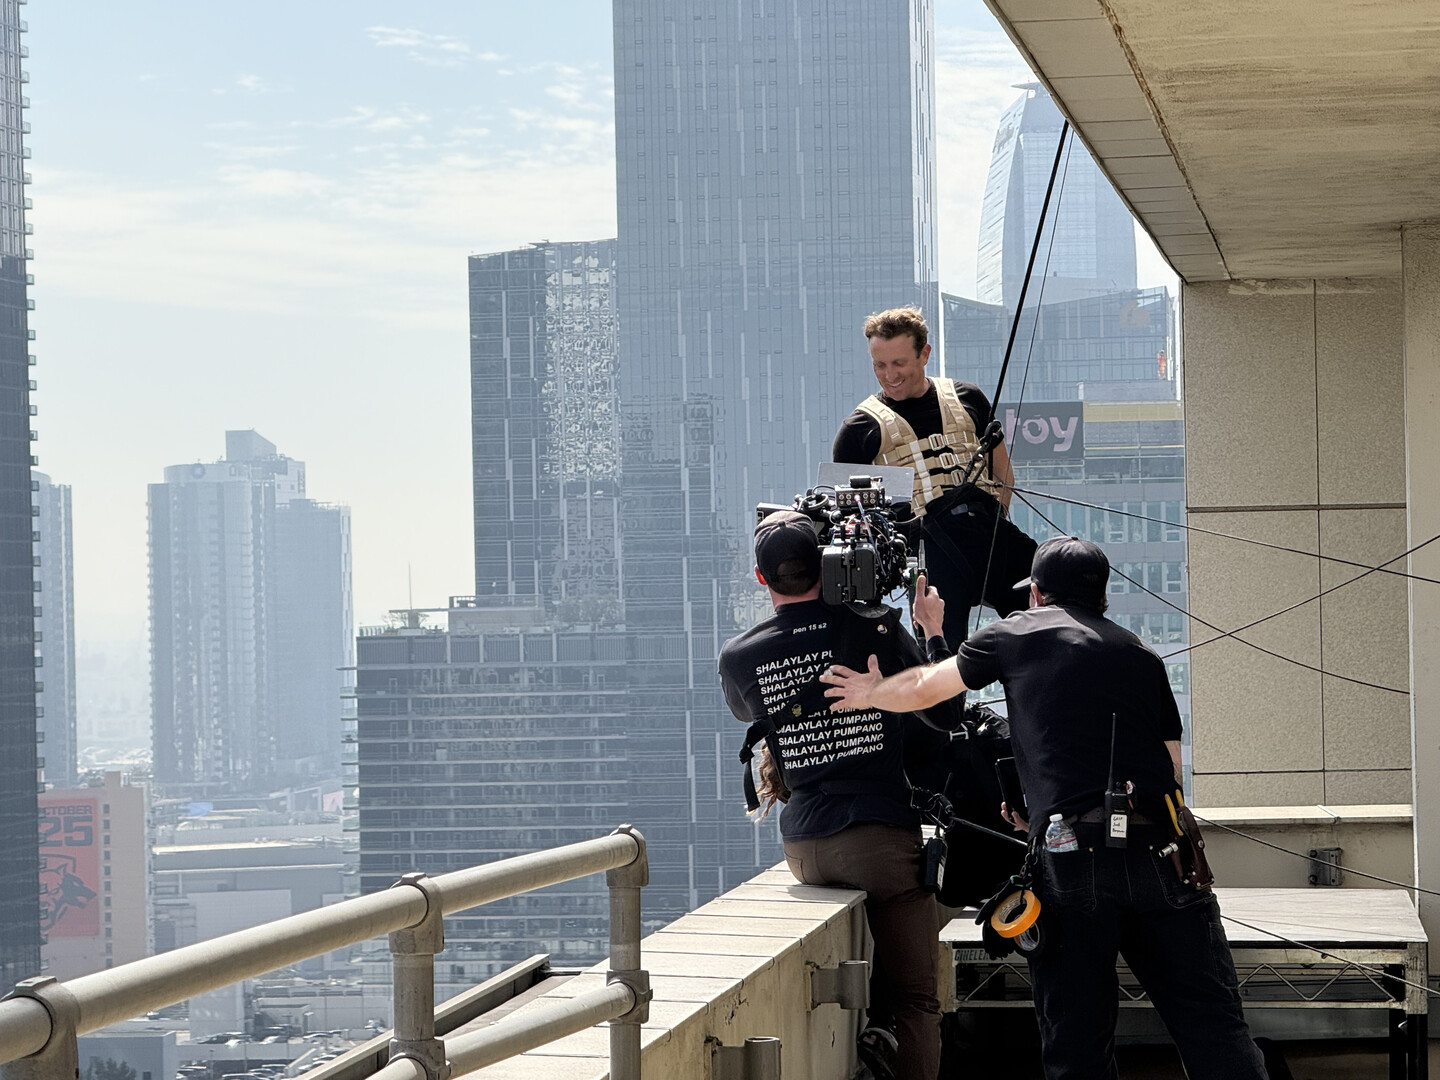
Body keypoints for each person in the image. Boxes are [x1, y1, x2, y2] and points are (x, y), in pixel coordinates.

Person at [819, 537, 1270, 1080]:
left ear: (1036, 593)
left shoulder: (1015, 632)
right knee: (1215, 1031)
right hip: (1165, 858)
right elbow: (1170, 774)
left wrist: (877, 687)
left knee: (1078, 1048)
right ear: (1102, 596)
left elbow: (934, 693)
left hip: (1072, 856)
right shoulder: (1141, 655)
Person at [718, 510, 960, 1080]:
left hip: (804, 848)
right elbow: (947, 714)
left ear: (761, 579)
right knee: (917, 1000)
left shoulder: (739, 656)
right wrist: (929, 630)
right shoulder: (873, 629)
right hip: (879, 839)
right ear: (827, 567)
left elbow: (749, 713)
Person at [833, 306, 1037, 648]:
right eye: (879, 365)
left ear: (924, 353)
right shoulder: (860, 429)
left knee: (1051, 595)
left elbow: (1001, 470)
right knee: (941, 649)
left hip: (990, 533)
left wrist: (992, 517)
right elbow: (849, 514)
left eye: (899, 363)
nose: (889, 375)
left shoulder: (967, 397)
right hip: (930, 549)